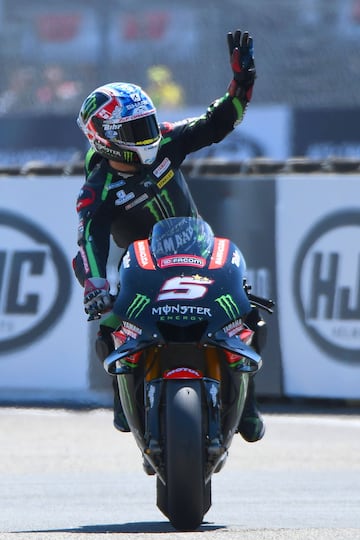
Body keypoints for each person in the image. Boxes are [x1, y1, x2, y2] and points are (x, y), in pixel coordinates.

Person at [73, 29, 265, 443]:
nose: (147, 135)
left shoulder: (166, 143)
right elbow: (89, 244)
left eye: (146, 123)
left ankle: (247, 406)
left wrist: (242, 83)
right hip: (143, 271)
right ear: (104, 138)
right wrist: (95, 287)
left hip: (197, 254)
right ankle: (124, 397)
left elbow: (217, 122)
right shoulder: (97, 192)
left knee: (250, 315)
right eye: (134, 129)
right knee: (108, 328)